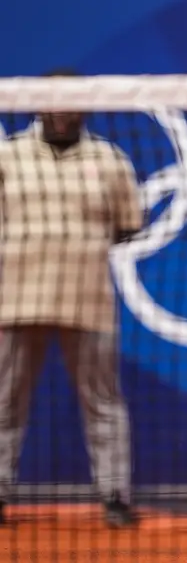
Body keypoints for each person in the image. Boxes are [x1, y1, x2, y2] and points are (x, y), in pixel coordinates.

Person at [0, 68, 142, 528]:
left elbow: (126, 225)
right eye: (53, 100)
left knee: (103, 402)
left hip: (88, 300)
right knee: (4, 402)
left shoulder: (110, 160)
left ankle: (115, 497)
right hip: (15, 300)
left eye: (71, 100)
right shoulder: (7, 157)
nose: (62, 110)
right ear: (38, 104)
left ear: (85, 105)